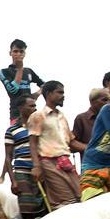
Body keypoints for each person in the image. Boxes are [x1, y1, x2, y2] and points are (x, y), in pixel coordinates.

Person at [27, 81, 86, 210]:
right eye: (60, 92)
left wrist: (94, 149)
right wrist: (36, 166)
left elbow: (71, 142)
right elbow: (33, 143)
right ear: (48, 94)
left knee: (80, 197)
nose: (63, 96)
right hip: (49, 163)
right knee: (65, 202)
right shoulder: (38, 116)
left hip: (65, 161)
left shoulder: (61, 116)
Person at [4, 95, 46, 219]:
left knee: (46, 207)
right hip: (22, 172)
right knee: (27, 211)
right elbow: (8, 157)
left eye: (35, 106)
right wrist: (13, 181)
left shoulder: (41, 125)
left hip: (41, 170)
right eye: (31, 106)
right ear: (21, 108)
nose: (35, 108)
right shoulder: (12, 130)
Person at [0, 39, 45, 125]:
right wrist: (20, 68)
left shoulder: (29, 71)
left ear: (25, 54)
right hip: (16, 114)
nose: (18, 54)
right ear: (10, 53)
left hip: (31, 113)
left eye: (21, 52)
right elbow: (13, 90)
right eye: (15, 51)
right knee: (20, 136)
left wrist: (37, 94)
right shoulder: (4, 72)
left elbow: (45, 85)